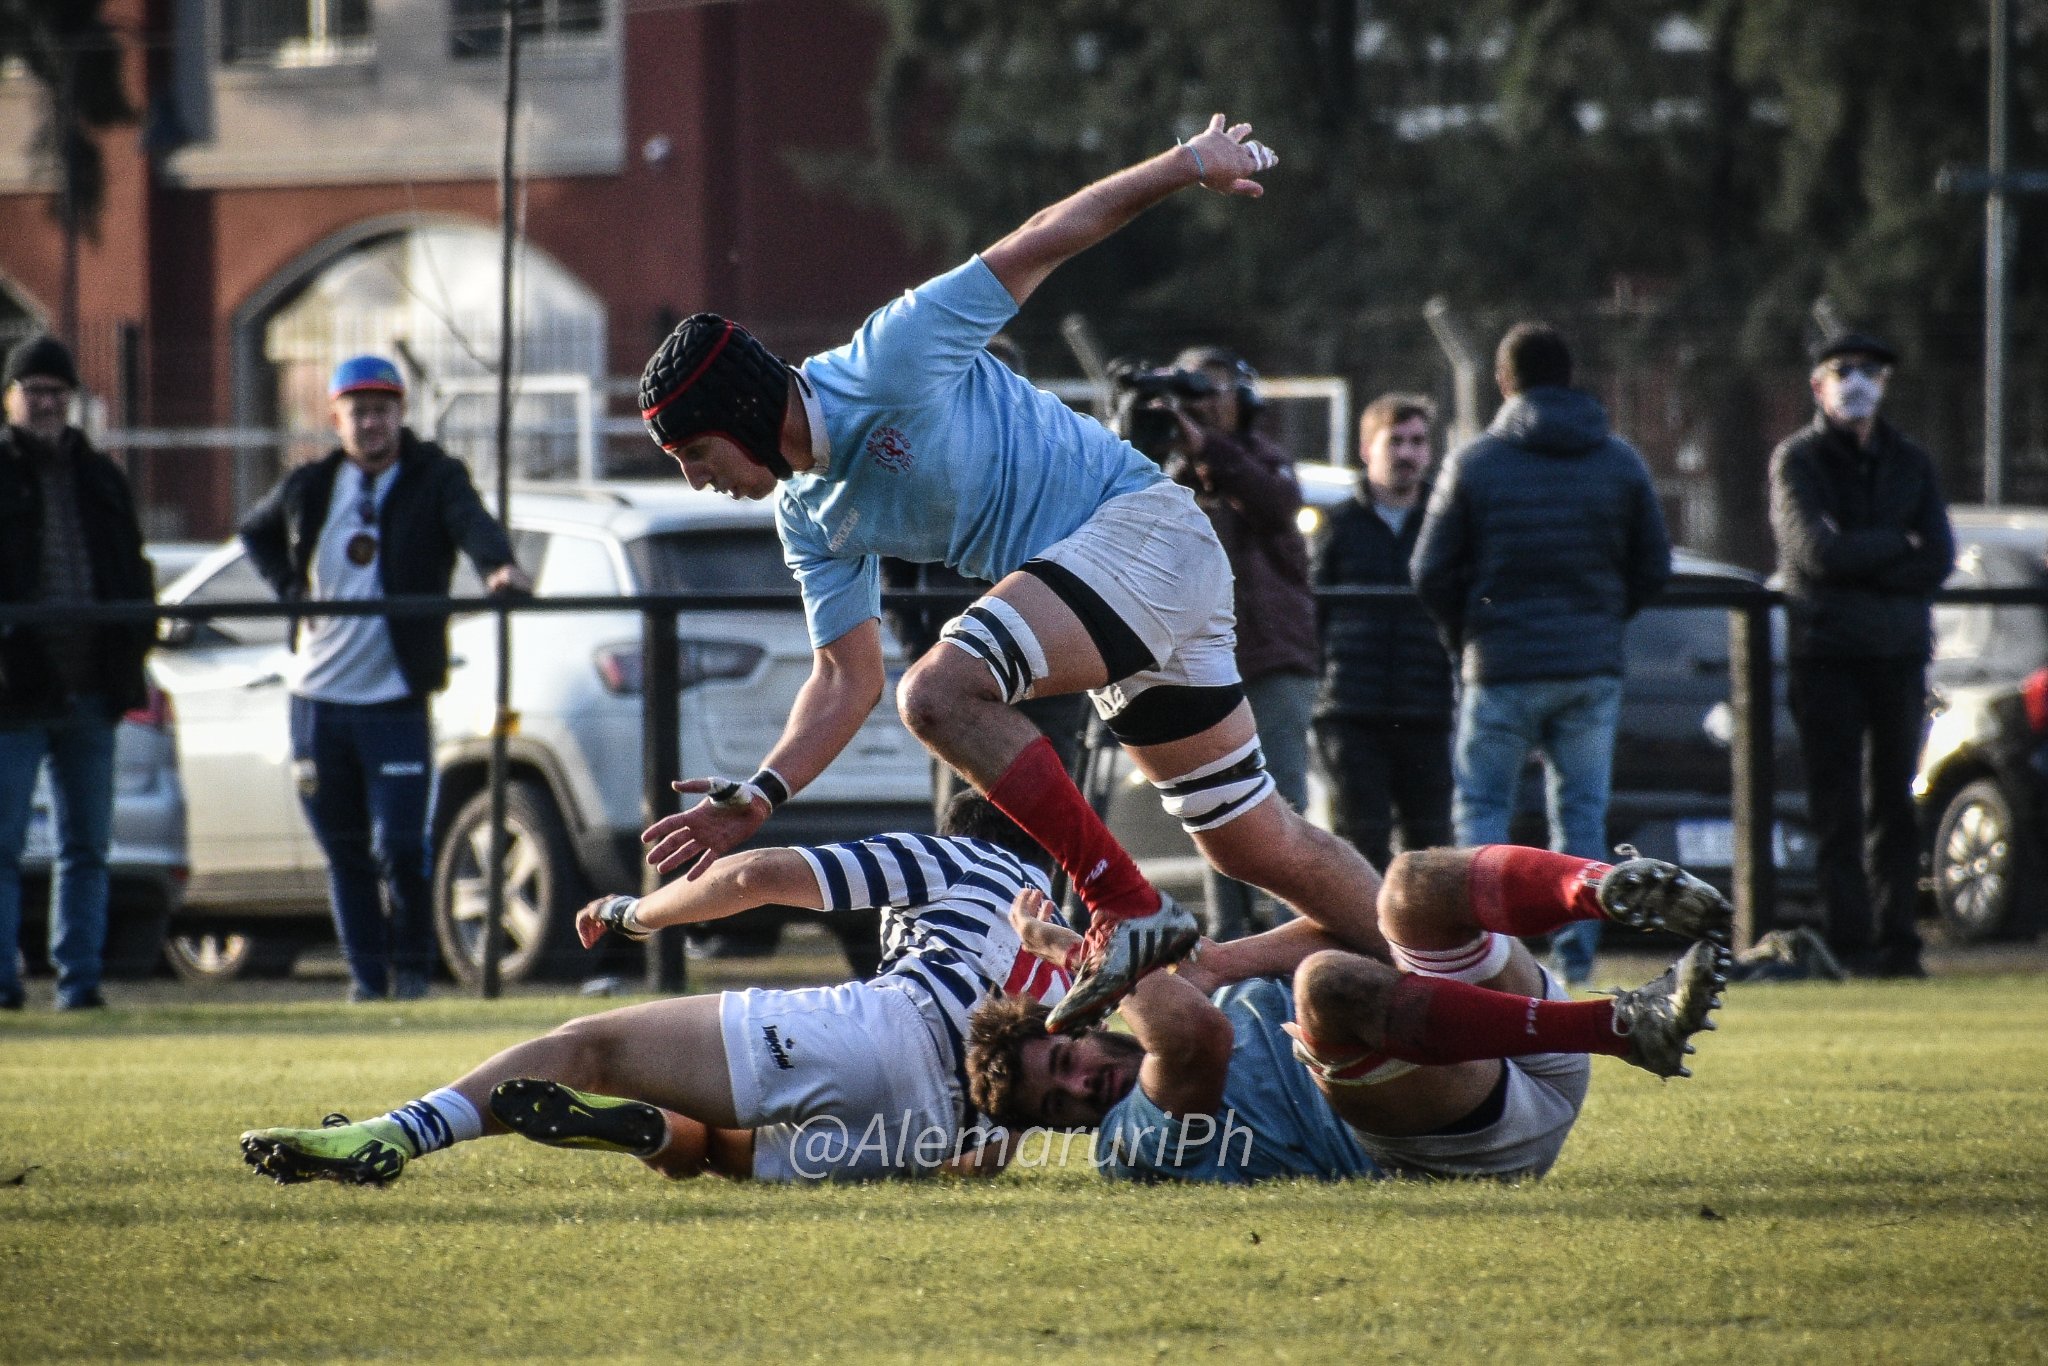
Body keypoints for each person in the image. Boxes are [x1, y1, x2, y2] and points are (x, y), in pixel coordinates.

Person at [634, 114, 1387, 1032]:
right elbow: (843, 677)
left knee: (939, 694)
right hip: (1120, 590)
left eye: (693, 451)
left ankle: (1128, 907)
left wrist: (1188, 164)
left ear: (744, 409)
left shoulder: (889, 356)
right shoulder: (806, 512)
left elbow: (1045, 235)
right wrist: (757, 795)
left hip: (1143, 532)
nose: (694, 476)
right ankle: (1456, 965)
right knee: (1253, 844)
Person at [240, 795, 1068, 1187]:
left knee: (588, 1046)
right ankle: (645, 1132)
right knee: (712, 1149)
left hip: (885, 1035)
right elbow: (1000, 1137)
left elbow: (763, 874)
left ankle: (399, 1131)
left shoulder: (965, 859)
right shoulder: (1064, 943)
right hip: (934, 1133)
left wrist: (636, 912)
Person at [968, 843, 1730, 1185]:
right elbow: (1191, 1040)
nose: (1079, 1091)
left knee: (1407, 887)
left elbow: (1357, 920)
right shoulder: (1128, 1149)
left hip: (1494, 1035)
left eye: (1065, 1064)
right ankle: (1617, 1027)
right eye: (1056, 1109)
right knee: (1326, 988)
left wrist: (1227, 960)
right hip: (1461, 1136)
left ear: (1084, 1028)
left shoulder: (1195, 994)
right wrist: (1072, 951)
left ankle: (1606, 887)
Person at [239, 355, 532, 1004]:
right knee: (344, 852)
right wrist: (293, 592)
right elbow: (254, 533)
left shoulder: (434, 475)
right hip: (317, 698)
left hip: (395, 699)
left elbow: (473, 524)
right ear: (336, 417)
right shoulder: (312, 483)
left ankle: (413, 976)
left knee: (402, 846)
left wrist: (499, 568)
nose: (371, 423)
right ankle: (367, 983)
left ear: (401, 414)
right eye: (358, 411)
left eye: (383, 409)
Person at [1412, 324, 1672, 987]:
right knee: (1581, 816)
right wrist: (1605, 621)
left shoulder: (1476, 462)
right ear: (1571, 376)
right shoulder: (1618, 460)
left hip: (1498, 664)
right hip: (1589, 666)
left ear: (1504, 381)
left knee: (1483, 811)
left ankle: (1485, 960)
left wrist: (1466, 633)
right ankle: (1577, 958)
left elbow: (1430, 571)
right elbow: (1653, 566)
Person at [1768, 332, 1954, 979]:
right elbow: (1817, 554)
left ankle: (1899, 944)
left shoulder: (1911, 461)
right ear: (1817, 385)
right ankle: (1849, 943)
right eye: (1842, 369)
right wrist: (1894, 545)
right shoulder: (1798, 460)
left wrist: (1866, 550)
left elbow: (1938, 556)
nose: (1857, 381)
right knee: (1837, 808)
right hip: (1827, 655)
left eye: (1870, 370)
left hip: (1898, 655)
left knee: (1895, 805)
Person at [0, 334, 155, 1012]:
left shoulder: (102, 477)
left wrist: (134, 647)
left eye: (56, 394)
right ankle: (4, 985)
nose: (45, 404)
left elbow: (132, 570)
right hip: (12, 695)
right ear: (10, 398)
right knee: (3, 849)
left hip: (93, 689)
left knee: (87, 847)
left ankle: (79, 985)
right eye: (34, 391)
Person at [1161, 346, 1319, 942]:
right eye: (1191, 391)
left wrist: (1209, 451)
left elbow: (1275, 507)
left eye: (1214, 389)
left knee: (1282, 803)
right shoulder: (1165, 475)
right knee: (1212, 806)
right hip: (1200, 664)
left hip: (1274, 659)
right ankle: (1229, 945)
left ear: (1244, 397)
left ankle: (1293, 939)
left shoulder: (1265, 461)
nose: (1201, 402)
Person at [1312, 393, 1455, 870]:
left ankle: (1428, 948)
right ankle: (1361, 945)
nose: (1408, 453)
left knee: (1430, 850)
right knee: (1358, 845)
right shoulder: (1339, 525)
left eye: (1417, 441)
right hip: (1351, 711)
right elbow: (1312, 613)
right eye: (1395, 440)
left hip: (1427, 710)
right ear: (1366, 448)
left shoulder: (1446, 522)